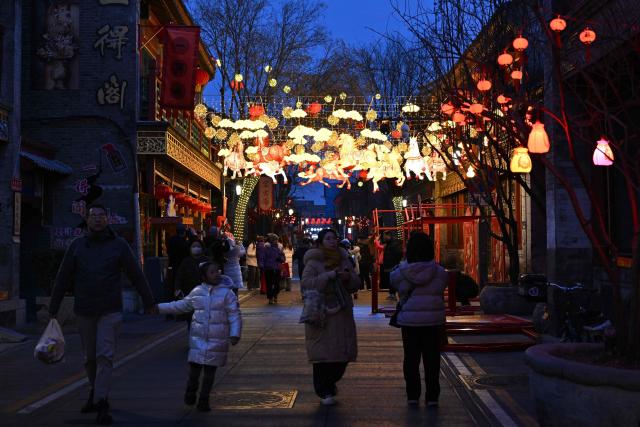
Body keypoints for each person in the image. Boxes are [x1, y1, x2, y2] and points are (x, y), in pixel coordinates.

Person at [49, 204, 156, 425]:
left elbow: (136, 273)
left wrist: (149, 301)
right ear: (87, 220)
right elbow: (63, 277)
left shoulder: (119, 245)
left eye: (101, 216)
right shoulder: (77, 246)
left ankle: (102, 401)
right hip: (85, 310)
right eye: (93, 216)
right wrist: (53, 308)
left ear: (108, 219)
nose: (97, 219)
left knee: (104, 355)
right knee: (89, 358)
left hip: (110, 309)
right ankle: (94, 391)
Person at [157, 260, 241, 412]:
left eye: (218, 271)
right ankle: (191, 393)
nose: (217, 274)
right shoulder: (197, 292)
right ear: (204, 276)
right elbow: (180, 306)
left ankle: (204, 400)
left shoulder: (227, 294)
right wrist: (159, 308)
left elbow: (234, 315)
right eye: (212, 272)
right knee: (194, 372)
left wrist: (235, 333)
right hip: (198, 340)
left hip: (217, 341)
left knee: (209, 375)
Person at [301, 228, 360, 406]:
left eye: (334, 238)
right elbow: (306, 285)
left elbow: (356, 283)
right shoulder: (313, 262)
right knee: (322, 355)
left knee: (341, 356)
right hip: (322, 313)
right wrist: (329, 276)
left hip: (341, 312)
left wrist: (348, 277)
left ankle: (330, 383)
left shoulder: (344, 259)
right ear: (320, 242)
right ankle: (324, 390)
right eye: (328, 239)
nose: (332, 241)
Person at [390, 232, 447, 407]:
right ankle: (432, 397)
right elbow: (442, 286)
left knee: (411, 359)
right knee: (432, 360)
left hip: (410, 321)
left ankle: (413, 395)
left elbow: (393, 282)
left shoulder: (400, 272)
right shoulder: (439, 272)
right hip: (433, 321)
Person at [174, 240, 209, 327]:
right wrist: (177, 288)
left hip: (205, 293)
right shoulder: (186, 261)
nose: (196, 248)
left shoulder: (207, 261)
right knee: (191, 318)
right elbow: (179, 276)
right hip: (189, 293)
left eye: (198, 246)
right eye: (193, 246)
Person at [167, 224, 190, 302]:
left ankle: (173, 299)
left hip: (173, 265)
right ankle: (180, 298)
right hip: (182, 266)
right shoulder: (184, 242)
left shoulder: (171, 240)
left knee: (173, 283)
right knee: (181, 283)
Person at [259, 233, 285, 304]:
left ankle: (275, 295)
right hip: (268, 268)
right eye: (275, 239)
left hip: (277, 268)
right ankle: (270, 298)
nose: (276, 241)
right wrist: (261, 266)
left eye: (277, 240)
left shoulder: (279, 248)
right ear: (271, 240)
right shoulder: (266, 248)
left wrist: (280, 258)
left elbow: (283, 257)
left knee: (277, 284)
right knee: (269, 284)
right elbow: (262, 257)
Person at [382, 231, 403, 301]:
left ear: (388, 236)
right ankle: (391, 294)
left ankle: (392, 294)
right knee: (390, 280)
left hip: (392, 265)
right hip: (390, 264)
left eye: (384, 236)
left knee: (391, 280)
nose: (383, 238)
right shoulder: (389, 244)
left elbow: (398, 253)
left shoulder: (393, 244)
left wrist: (394, 262)